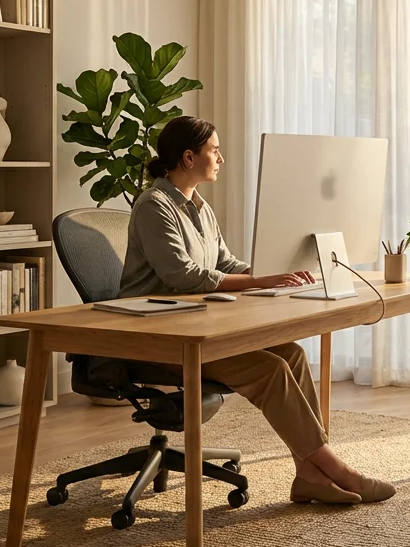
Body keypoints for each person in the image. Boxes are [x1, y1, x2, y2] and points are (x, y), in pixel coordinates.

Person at [118, 115, 394, 505]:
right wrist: (258, 282)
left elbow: (224, 262)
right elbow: (183, 275)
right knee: (270, 371)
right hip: (161, 337)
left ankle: (307, 474)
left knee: (293, 355)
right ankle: (336, 468)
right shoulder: (153, 206)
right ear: (187, 157)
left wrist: (270, 270)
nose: (221, 158)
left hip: (198, 326)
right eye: (214, 150)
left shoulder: (199, 206)